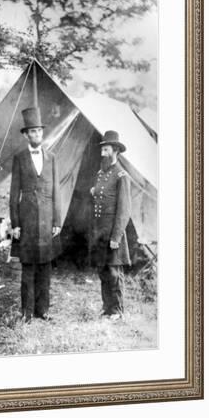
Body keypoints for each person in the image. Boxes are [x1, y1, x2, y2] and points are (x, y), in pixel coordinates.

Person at [9, 107, 61, 323]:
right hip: (28, 220)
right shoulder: (19, 158)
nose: (37, 135)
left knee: (45, 268)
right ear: (26, 135)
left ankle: (43, 310)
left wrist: (57, 221)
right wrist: (15, 224)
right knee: (28, 268)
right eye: (32, 132)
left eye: (39, 131)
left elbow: (57, 190)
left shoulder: (52, 158)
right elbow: (13, 194)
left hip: (47, 221)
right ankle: (26, 312)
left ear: (42, 133)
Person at [89, 130, 131, 322]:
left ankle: (117, 310)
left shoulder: (122, 175)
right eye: (102, 150)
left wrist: (116, 237)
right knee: (102, 270)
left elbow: (124, 210)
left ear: (115, 151)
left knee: (114, 272)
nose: (102, 153)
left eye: (105, 150)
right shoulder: (100, 173)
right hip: (100, 232)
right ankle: (107, 308)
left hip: (113, 233)